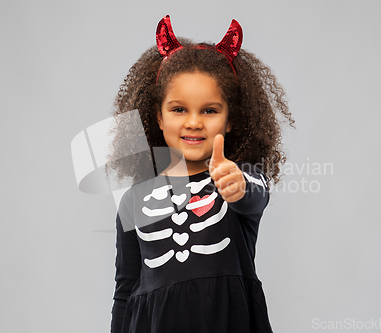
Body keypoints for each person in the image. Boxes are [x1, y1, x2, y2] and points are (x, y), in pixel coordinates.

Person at [106, 14, 295, 333]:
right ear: (159, 118)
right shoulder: (133, 201)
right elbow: (125, 291)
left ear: (230, 119)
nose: (193, 122)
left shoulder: (241, 179)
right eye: (179, 109)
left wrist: (236, 185)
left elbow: (253, 194)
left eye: (209, 110)